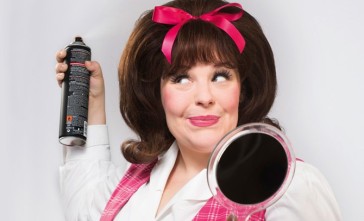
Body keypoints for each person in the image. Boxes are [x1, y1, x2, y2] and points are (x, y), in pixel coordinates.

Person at [55, 0, 342, 220]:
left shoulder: (288, 187)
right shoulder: (135, 185)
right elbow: (85, 203)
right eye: (181, 78)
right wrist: (90, 101)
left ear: (243, 88)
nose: (204, 97)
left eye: (220, 76)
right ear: (157, 92)